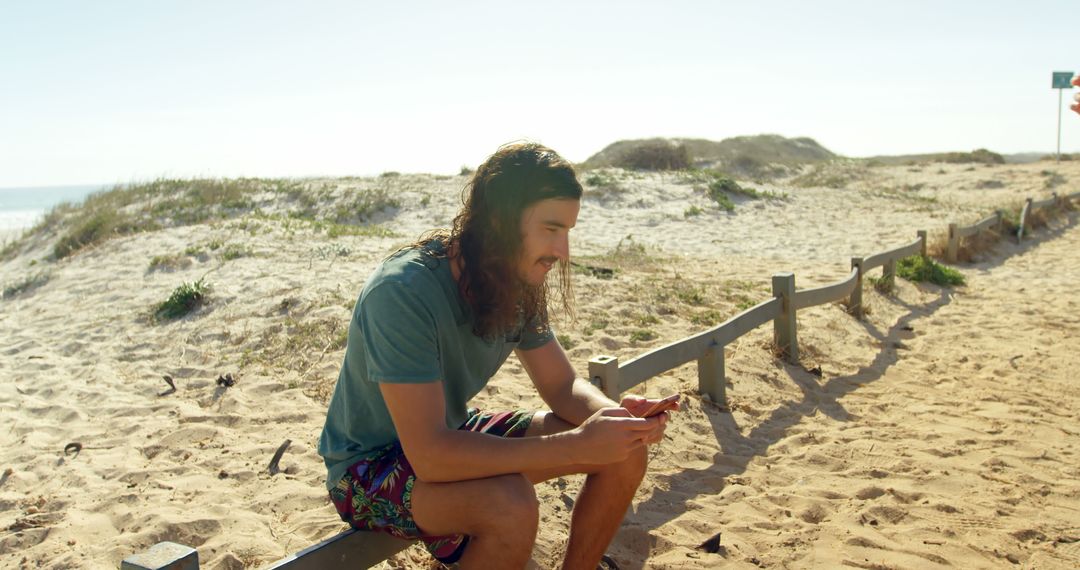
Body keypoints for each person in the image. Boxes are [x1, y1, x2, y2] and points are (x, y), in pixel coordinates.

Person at [318, 142, 674, 569]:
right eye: (551, 229)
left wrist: (614, 419)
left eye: (567, 233)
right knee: (509, 503)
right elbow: (430, 456)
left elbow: (562, 385)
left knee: (626, 449)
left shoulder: (514, 278)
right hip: (367, 470)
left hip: (451, 433)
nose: (562, 252)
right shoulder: (402, 293)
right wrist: (577, 444)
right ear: (500, 222)